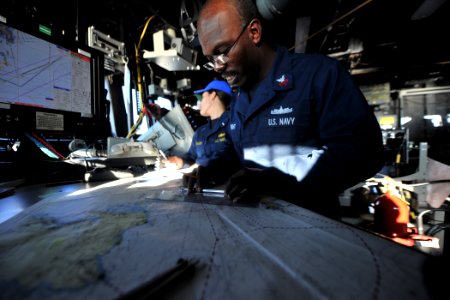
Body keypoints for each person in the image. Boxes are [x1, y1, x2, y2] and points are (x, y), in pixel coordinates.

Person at [195, 0, 385, 218]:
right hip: (253, 227)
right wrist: (214, 169)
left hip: (309, 233)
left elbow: (365, 152)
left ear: (254, 32)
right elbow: (241, 153)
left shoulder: (319, 75)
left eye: (222, 51)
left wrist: (278, 179)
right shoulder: (239, 97)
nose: (218, 67)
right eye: (211, 59)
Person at [164, 79, 241, 191]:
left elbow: (238, 159)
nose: (199, 102)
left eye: (202, 97)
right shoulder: (200, 132)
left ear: (213, 95)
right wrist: (179, 161)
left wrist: (211, 169)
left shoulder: (235, 124)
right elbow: (191, 156)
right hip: (199, 185)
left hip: (226, 188)